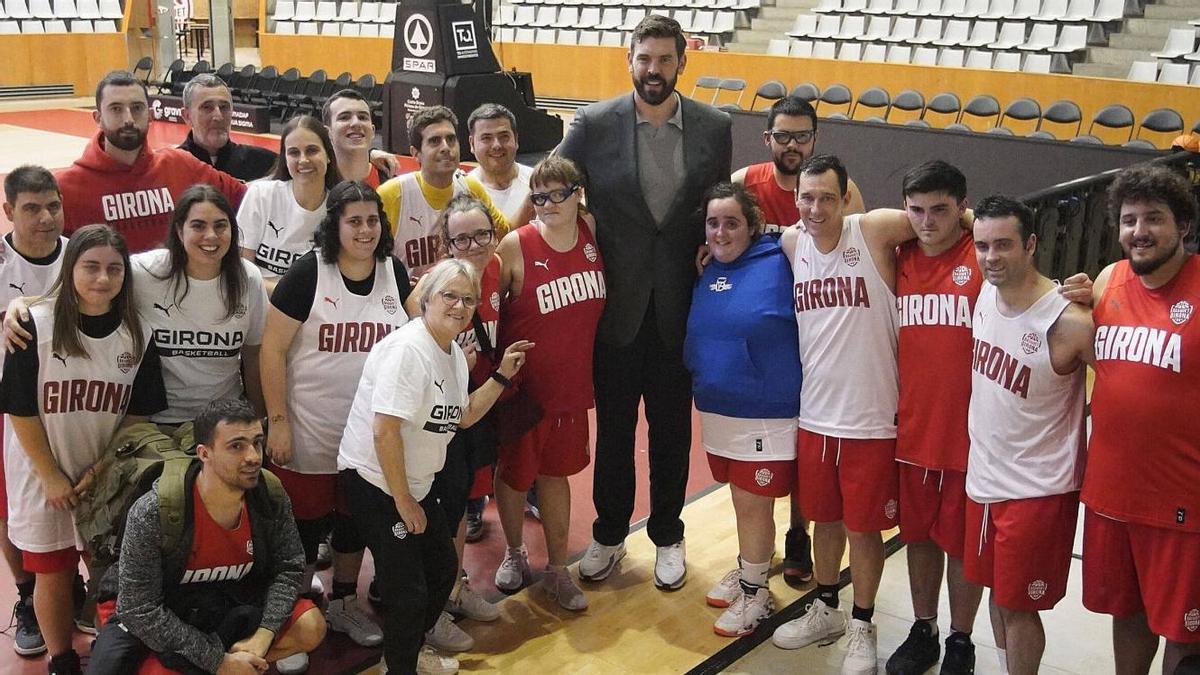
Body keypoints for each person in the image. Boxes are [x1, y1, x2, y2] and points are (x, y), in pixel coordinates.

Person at [558, 13, 732, 590]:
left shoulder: (715, 126)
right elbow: (552, 181)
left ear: (682, 62)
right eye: (644, 59)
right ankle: (609, 534)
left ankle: (668, 535)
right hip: (617, 307)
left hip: (680, 307)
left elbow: (718, 202)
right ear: (629, 60)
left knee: (671, 432)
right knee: (613, 430)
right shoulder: (594, 123)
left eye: (664, 59)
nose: (653, 70)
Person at [770, 154, 960, 673]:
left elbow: (946, 216)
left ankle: (862, 623)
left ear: (846, 197)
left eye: (827, 198)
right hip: (815, 415)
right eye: (807, 198)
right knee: (824, 521)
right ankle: (826, 607)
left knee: (863, 529)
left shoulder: (873, 230)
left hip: (872, 418)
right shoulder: (792, 243)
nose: (815, 208)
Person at [337, 258, 531, 674]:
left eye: (468, 300)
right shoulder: (408, 351)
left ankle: (408, 649)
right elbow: (384, 431)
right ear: (425, 298)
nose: (459, 306)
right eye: (449, 296)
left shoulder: (453, 355)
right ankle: (400, 665)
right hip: (377, 484)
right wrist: (404, 501)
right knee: (408, 590)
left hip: (415, 484)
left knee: (443, 570)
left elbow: (463, 416)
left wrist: (500, 376)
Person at [0, 224, 166, 675]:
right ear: (70, 268)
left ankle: (109, 650)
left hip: (103, 472)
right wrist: (50, 473)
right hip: (42, 470)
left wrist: (105, 469)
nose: (102, 278)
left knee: (108, 568)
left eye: (114, 269)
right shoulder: (34, 324)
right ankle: (62, 659)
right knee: (52, 572)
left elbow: (138, 415)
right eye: (91, 267)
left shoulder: (139, 333)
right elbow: (19, 408)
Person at [259, 180, 408, 671]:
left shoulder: (394, 272)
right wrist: (277, 421)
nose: (365, 230)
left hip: (365, 435)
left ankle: (343, 601)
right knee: (302, 531)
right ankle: (293, 615)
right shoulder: (308, 274)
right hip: (309, 429)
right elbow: (272, 350)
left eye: (372, 220)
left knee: (352, 522)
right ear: (335, 226)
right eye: (354, 221)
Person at [86, 399, 326, 675]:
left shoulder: (269, 494)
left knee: (311, 626)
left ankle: (241, 664)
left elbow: (289, 567)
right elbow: (139, 609)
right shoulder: (154, 510)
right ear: (204, 453)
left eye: (257, 442)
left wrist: (264, 634)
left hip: (225, 598)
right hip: (163, 606)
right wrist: (218, 662)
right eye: (236, 446)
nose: (253, 457)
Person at [964, 195, 1092, 675]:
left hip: (1038, 489)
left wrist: (1102, 291)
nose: (991, 257)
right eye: (982, 246)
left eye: (1004, 245)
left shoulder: (1068, 321)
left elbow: (1130, 377)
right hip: (985, 478)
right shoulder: (985, 291)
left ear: (1032, 244)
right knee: (998, 594)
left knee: (1019, 606)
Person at [1082, 165, 1200, 674]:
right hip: (1111, 494)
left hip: (1182, 501)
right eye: (1129, 220)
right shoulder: (1108, 280)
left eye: (1154, 218)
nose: (1139, 231)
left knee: (1184, 633)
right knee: (1126, 614)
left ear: (1184, 226)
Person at [686, 183, 800, 637]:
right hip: (717, 408)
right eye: (713, 223)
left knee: (753, 504)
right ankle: (749, 565)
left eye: (731, 223)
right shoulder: (708, 265)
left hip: (764, 413)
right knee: (740, 498)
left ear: (753, 226)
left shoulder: (782, 258)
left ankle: (756, 594)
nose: (720, 232)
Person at [491, 156, 605, 611]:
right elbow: (487, 306)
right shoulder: (516, 245)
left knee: (556, 476)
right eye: (539, 196)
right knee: (515, 476)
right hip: (525, 392)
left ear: (578, 194)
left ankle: (559, 569)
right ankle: (514, 551)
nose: (549, 203)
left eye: (559, 193)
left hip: (571, 388)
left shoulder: (590, 230)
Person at [887, 161, 983, 675]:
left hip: (971, 435)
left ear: (962, 208)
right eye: (917, 210)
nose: (927, 222)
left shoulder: (983, 254)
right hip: (912, 429)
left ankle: (961, 639)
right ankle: (923, 628)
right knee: (919, 537)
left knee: (962, 545)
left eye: (941, 210)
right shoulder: (896, 254)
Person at [419, 195, 503, 655]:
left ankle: (453, 587)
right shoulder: (434, 286)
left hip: (472, 410)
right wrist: (451, 361)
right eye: (461, 239)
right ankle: (433, 607)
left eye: (481, 235)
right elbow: (414, 344)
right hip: (435, 419)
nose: (473, 246)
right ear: (446, 244)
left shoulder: (496, 272)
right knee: (439, 512)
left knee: (460, 504)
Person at [56, 70, 246, 253]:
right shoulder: (66, 188)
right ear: (98, 118)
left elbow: (248, 198)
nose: (128, 119)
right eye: (116, 109)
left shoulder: (180, 165)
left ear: (150, 115)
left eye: (137, 108)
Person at [0, 166, 68, 657]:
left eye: (53, 206)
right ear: (9, 211)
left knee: (74, 499)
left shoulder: (82, 254)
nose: (45, 218)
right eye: (31, 208)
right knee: (8, 509)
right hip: (9, 406)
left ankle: (67, 588)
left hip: (71, 402)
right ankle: (28, 594)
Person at [377, 106, 509, 281]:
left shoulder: (471, 188)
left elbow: (504, 234)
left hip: (463, 292)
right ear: (415, 153)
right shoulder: (391, 195)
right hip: (407, 296)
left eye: (451, 139)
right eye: (434, 141)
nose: (446, 147)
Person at [732, 96, 865, 233]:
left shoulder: (841, 187)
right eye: (782, 136)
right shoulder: (743, 182)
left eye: (802, 136)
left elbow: (857, 243)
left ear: (815, 138)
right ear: (767, 138)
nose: (792, 145)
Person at [238, 116, 343, 289]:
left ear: (328, 155)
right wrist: (285, 298)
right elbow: (242, 271)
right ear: (285, 159)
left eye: (312, 150)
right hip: (260, 298)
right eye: (294, 152)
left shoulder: (341, 208)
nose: (303, 160)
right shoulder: (261, 195)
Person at [177, 74, 277, 182]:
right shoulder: (172, 165)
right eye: (207, 107)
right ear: (187, 116)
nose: (218, 116)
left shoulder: (265, 163)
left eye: (224, 107)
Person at [466, 103, 534, 228]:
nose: (496, 145)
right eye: (486, 138)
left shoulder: (538, 183)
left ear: (516, 140)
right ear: (472, 143)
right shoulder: (462, 190)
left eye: (504, 137)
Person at [321, 89, 398, 189]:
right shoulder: (317, 183)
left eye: (362, 117)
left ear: (373, 130)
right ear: (328, 132)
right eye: (344, 117)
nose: (356, 123)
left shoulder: (394, 187)